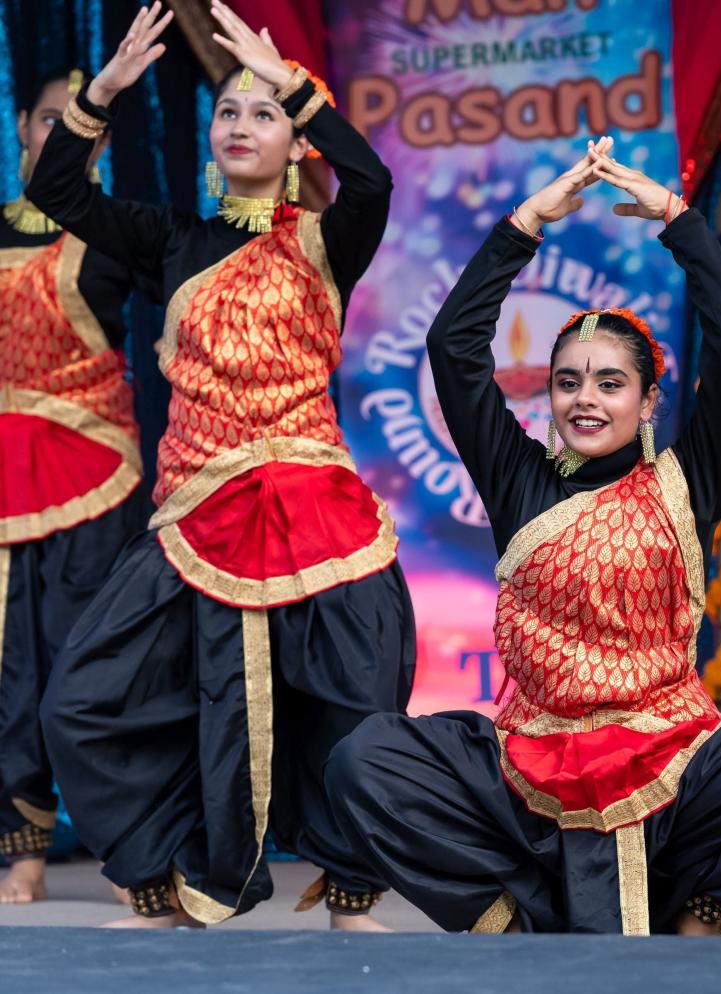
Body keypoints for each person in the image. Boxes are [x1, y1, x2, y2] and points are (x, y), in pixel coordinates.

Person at [325, 136, 721, 935]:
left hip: (671, 759)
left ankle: (702, 903)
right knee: (364, 761)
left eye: (611, 383)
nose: (586, 399)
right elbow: (452, 348)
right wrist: (524, 225)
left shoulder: (687, 480)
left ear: (648, 403)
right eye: (568, 381)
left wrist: (678, 222)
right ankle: (511, 916)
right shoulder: (517, 478)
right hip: (531, 765)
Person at [28, 2, 413, 929]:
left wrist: (295, 85)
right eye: (228, 113)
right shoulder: (175, 242)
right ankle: (170, 880)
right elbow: (62, 196)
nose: (242, 125)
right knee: (88, 698)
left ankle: (351, 896)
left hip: (315, 510)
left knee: (353, 705)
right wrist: (106, 93)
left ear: (293, 139)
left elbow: (369, 178)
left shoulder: (327, 241)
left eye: (263, 113)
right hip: (199, 510)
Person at [0, 66, 147, 905]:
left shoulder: (122, 234)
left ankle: (129, 843)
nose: (59, 133)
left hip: (95, 464)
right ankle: (22, 846)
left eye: (79, 123)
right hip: (5, 474)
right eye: (49, 119)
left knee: (91, 659)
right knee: (12, 664)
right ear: (23, 125)